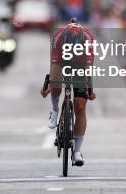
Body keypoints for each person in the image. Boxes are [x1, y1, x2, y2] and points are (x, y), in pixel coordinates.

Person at [41, 18, 96, 167]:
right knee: (57, 82)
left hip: (80, 64)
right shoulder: (58, 37)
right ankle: (54, 109)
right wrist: (48, 84)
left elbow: (88, 71)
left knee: (80, 106)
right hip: (61, 60)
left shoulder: (88, 40)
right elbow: (53, 67)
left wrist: (89, 90)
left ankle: (77, 152)